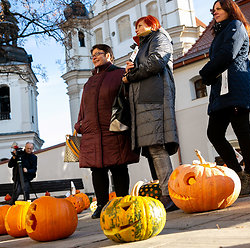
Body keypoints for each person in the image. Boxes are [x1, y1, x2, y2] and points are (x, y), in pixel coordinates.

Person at [199, 0, 250, 197]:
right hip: (221, 89)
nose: (214, 12)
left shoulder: (236, 26)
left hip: (235, 85)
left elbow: (227, 54)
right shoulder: (221, 31)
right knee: (214, 133)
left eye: (218, 9)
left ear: (229, 9)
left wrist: (204, 73)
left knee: (242, 130)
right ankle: (237, 173)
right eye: (212, 10)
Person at [75, 44, 140, 219]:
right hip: (92, 132)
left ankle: (122, 202)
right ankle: (102, 205)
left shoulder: (119, 74)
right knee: (97, 170)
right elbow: (83, 106)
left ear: (109, 56)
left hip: (113, 128)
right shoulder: (89, 82)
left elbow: (128, 98)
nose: (94, 57)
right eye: (93, 55)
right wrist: (79, 124)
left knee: (118, 166)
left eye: (98, 54)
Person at [122, 15, 179, 212]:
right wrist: (130, 71)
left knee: (156, 147)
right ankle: (165, 193)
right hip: (144, 101)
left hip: (154, 98)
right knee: (151, 150)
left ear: (152, 24)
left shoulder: (159, 37)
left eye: (140, 25)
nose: (136, 29)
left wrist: (133, 74)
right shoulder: (141, 46)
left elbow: (156, 62)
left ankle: (169, 194)